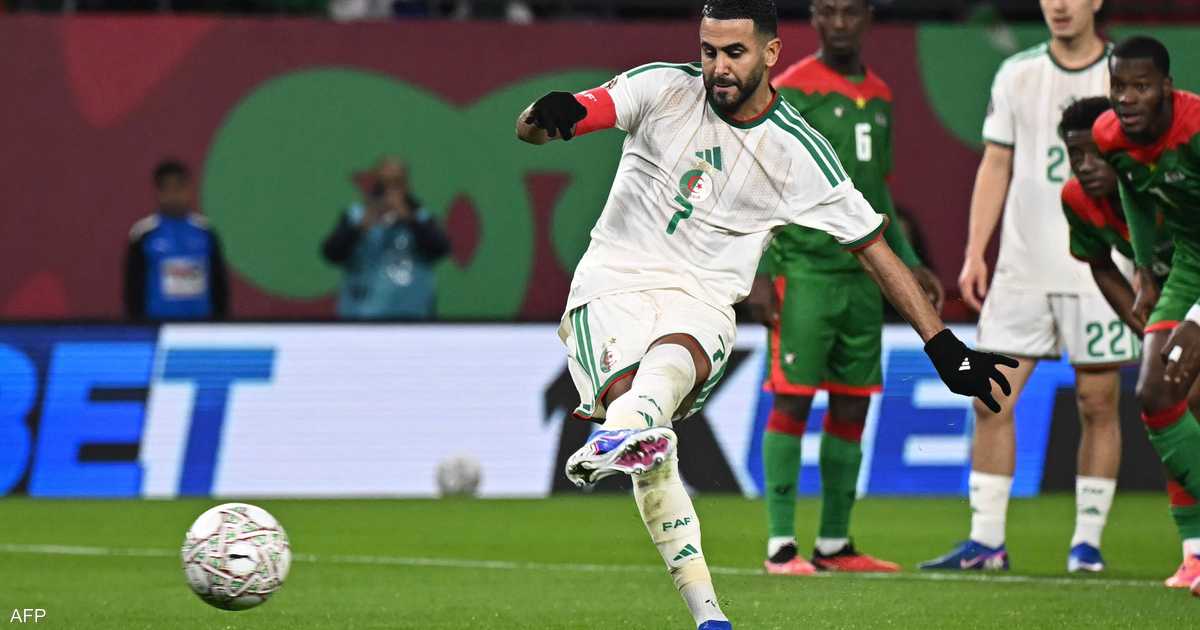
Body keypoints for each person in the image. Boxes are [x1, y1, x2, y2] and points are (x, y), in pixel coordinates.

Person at [515, 0, 1015, 626]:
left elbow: (874, 247)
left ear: (771, 53)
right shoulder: (661, 88)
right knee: (649, 439)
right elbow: (549, 123)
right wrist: (545, 115)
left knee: (661, 383)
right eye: (709, 51)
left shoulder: (797, 151)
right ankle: (709, 613)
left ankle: (629, 429)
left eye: (735, 53)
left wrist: (942, 345)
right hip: (612, 288)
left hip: (702, 301)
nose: (718, 67)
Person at [925, 0, 1126, 574]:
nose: (1059, 5)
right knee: (991, 396)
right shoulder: (1017, 72)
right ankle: (986, 541)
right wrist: (975, 250)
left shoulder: (1124, 75)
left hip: (1099, 265)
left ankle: (1087, 545)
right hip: (1023, 265)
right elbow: (996, 164)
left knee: (1097, 401)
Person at [750, 0, 944, 576]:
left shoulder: (880, 95)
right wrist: (758, 269)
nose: (839, 24)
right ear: (813, 18)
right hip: (804, 271)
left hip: (862, 277)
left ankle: (834, 544)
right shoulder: (790, 89)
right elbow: (758, 184)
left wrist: (909, 261)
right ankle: (780, 546)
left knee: (853, 403)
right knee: (792, 398)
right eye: (828, 12)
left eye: (849, 13)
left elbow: (877, 193)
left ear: (868, 18)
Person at [1094, 35, 1200, 592]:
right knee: (1157, 394)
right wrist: (1142, 270)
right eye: (1118, 86)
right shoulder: (1108, 135)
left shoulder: (1196, 129)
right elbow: (1134, 194)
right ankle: (1195, 553)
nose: (1127, 97)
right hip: (1189, 263)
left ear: (1167, 87)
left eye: (1141, 86)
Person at [321, 157, 450, 320]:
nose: (389, 191)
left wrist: (409, 219)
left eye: (396, 183)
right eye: (383, 184)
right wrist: (358, 228)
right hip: (359, 318)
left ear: (406, 186)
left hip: (412, 318)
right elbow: (331, 253)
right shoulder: (356, 216)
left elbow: (440, 249)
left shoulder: (421, 218)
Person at [124, 159, 229, 321]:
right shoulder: (143, 234)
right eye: (167, 189)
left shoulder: (206, 232)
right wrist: (138, 325)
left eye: (179, 188)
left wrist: (219, 323)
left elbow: (219, 287)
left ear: (188, 190)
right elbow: (133, 289)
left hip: (202, 326)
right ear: (158, 192)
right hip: (157, 326)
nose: (174, 195)